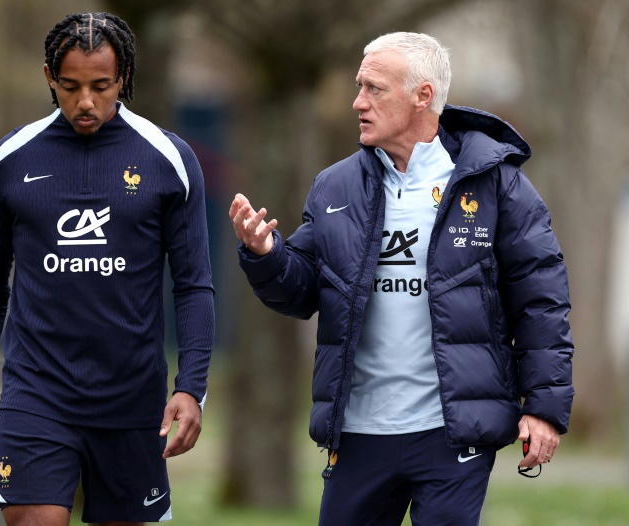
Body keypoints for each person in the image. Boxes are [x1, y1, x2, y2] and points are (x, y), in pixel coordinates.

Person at [229, 32, 574, 525]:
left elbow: (541, 301)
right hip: (359, 433)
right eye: (358, 86)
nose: (357, 102)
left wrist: (542, 407)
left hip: (453, 433)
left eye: (374, 89)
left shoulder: (496, 182)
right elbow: (302, 292)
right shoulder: (336, 185)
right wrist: (265, 253)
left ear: (423, 96)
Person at [0, 12, 215, 526]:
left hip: (133, 400)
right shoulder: (7, 162)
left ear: (125, 78)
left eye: (101, 86)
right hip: (36, 393)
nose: (86, 102)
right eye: (70, 87)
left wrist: (191, 388)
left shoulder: (170, 160)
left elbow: (194, 285)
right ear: (50, 77)